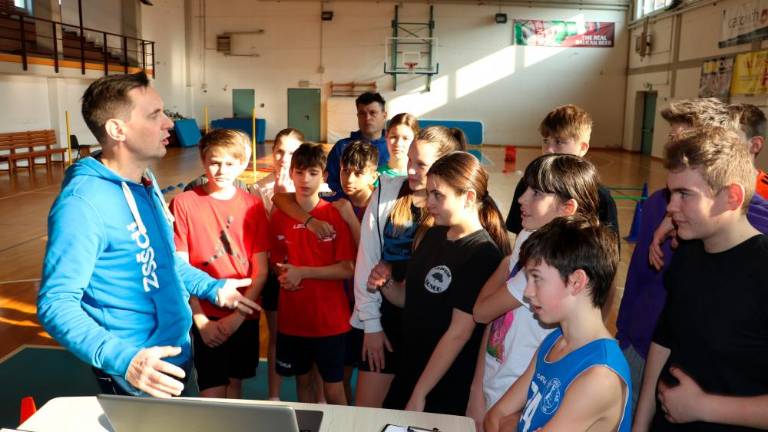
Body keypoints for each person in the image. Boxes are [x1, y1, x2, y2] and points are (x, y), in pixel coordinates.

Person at [37, 72, 257, 398]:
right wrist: (125, 360)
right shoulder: (82, 204)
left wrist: (211, 287)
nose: (169, 123)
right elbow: (55, 303)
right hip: (139, 374)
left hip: (176, 354)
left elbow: (164, 260)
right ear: (117, 130)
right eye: (155, 115)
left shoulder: (145, 181)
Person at [615, 99, 768, 411]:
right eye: (673, 139)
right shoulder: (663, 207)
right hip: (643, 346)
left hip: (697, 370)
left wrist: (706, 406)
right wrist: (624, 330)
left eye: (687, 139)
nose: (677, 148)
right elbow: (639, 282)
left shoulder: (747, 224)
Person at [469, 154, 602, 430]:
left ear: (567, 208)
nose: (521, 198)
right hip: (494, 385)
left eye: (537, 193)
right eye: (526, 188)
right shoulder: (528, 237)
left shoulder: (547, 268)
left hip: (520, 398)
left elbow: (481, 312)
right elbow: (494, 323)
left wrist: (506, 265)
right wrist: (476, 388)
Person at [380, 151, 510, 415]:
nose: (429, 202)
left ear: (468, 197)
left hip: (442, 387)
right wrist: (385, 283)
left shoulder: (482, 255)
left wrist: (420, 394)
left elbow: (459, 333)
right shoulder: (433, 235)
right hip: (410, 372)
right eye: (429, 193)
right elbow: (409, 299)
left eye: (438, 195)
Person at [352, 126, 468, 408]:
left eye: (422, 165)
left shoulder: (457, 213)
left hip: (432, 330)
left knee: (418, 413)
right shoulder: (388, 192)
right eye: (410, 160)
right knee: (366, 415)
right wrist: (371, 326)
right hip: (387, 323)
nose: (411, 170)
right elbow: (367, 261)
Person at [484, 217, 631, 432]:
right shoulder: (555, 341)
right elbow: (494, 416)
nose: (527, 292)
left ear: (576, 281)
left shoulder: (600, 376)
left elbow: (503, 419)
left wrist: (513, 422)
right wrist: (511, 423)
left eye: (537, 278)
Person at [169, 129, 269, 399]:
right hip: (204, 312)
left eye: (229, 163)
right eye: (214, 162)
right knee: (211, 393)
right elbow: (180, 269)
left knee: (234, 388)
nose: (221, 170)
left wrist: (238, 318)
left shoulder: (253, 206)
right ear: (203, 161)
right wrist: (201, 320)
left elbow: (261, 271)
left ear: (241, 164)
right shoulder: (183, 203)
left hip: (243, 312)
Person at [269, 142, 356, 405]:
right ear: (291, 173)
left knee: (333, 389)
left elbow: (347, 268)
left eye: (313, 173)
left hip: (330, 321)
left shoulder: (335, 214)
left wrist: (303, 273)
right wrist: (284, 274)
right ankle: (307, 423)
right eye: (299, 172)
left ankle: (341, 425)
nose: (305, 179)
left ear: (324, 176)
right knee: (302, 382)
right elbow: (276, 260)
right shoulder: (279, 216)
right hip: (294, 319)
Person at [504, 104, 618, 237]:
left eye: (558, 142)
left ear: (583, 148)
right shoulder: (528, 184)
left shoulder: (600, 197)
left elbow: (609, 245)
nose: (549, 149)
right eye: (546, 141)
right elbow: (520, 235)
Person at [254, 127, 304, 400]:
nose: (284, 158)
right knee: (276, 336)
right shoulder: (259, 188)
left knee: (309, 338)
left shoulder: (312, 186)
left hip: (306, 272)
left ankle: (316, 397)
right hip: (275, 272)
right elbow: (264, 233)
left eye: (292, 152)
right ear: (272, 153)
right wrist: (277, 197)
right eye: (279, 152)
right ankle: (274, 396)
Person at [333, 140, 380, 402]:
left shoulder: (381, 206)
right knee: (338, 374)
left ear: (373, 175)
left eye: (358, 173)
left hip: (370, 306)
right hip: (341, 303)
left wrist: (351, 219)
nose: (349, 179)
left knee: (370, 377)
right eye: (345, 170)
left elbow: (370, 255)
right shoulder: (337, 203)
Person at [326, 92, 389, 200]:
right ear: (357, 116)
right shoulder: (342, 147)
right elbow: (331, 182)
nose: (367, 118)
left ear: (384, 116)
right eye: (362, 113)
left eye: (373, 113)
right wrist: (351, 203)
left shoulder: (393, 147)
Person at [379, 112, 418, 178]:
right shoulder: (374, 177)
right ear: (386, 136)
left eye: (405, 138)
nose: (398, 143)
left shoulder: (419, 177)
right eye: (393, 137)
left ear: (415, 140)